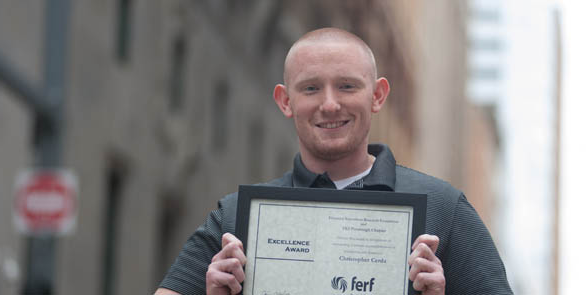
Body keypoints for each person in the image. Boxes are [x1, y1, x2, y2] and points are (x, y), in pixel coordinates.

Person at [155, 27, 512, 295]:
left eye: (347, 86)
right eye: (311, 88)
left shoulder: (444, 209)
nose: (329, 104)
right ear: (285, 101)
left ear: (377, 95)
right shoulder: (238, 218)